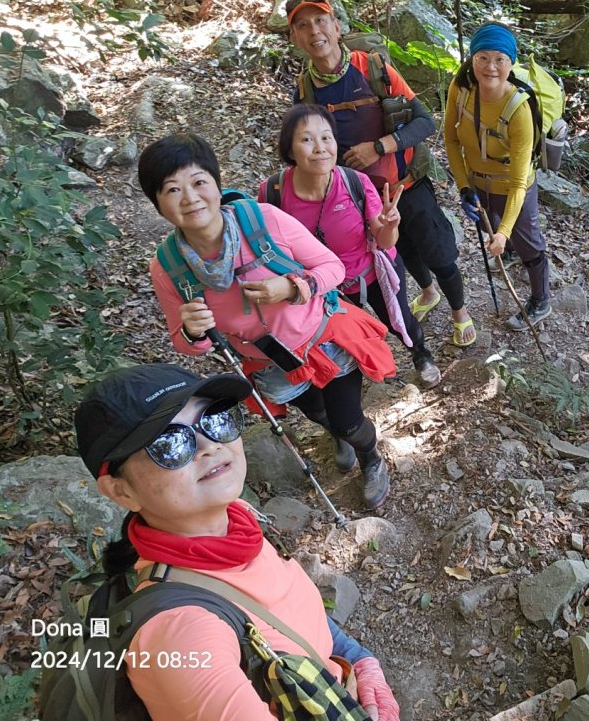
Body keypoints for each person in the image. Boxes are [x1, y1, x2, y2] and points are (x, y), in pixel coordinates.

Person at [74, 363, 401, 720]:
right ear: (120, 491)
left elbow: (285, 613)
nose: (209, 446)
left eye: (214, 419)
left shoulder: (237, 519)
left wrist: (358, 659)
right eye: (168, 443)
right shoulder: (182, 635)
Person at [140, 133, 395, 509]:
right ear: (159, 204)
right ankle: (338, 436)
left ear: (216, 185)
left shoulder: (264, 221)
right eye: (172, 190)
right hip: (270, 361)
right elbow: (186, 342)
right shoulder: (168, 269)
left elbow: (332, 268)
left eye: (198, 182)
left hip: (324, 337)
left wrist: (292, 288)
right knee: (316, 411)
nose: (190, 198)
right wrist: (194, 331)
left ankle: (370, 457)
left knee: (348, 419)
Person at [285, 0, 476, 347]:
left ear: (337, 27)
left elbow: (424, 122)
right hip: (360, 199)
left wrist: (378, 147)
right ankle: (428, 292)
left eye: (321, 21)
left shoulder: (373, 69)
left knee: (438, 252)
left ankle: (460, 312)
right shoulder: (305, 92)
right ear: (295, 37)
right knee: (401, 250)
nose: (314, 31)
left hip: (406, 183)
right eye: (303, 26)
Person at [260, 104, 441, 388]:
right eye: (307, 139)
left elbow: (384, 242)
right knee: (347, 335)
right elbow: (269, 248)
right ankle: (367, 374)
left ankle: (421, 354)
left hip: (371, 272)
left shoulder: (354, 182)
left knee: (400, 320)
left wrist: (389, 225)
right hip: (324, 287)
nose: (320, 148)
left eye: (326, 137)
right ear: (290, 149)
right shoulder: (274, 193)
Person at [444, 22, 553, 332]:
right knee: (486, 223)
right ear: (472, 58)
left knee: (528, 243)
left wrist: (504, 232)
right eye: (482, 57)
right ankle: (509, 249)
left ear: (511, 62)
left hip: (512, 186)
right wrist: (464, 187)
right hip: (478, 182)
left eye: (499, 59)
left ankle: (541, 300)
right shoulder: (460, 90)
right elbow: (451, 139)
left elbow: (518, 183)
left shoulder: (519, 109)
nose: (490, 67)